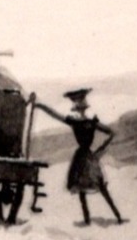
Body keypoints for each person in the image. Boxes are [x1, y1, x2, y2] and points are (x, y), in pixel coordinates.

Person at [35, 89, 124, 226]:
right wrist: (101, 150)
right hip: (87, 157)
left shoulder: (83, 122)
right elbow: (111, 133)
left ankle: (111, 217)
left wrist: (101, 150)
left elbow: (55, 115)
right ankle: (108, 217)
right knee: (92, 188)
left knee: (94, 187)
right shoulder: (87, 122)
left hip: (85, 157)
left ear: (76, 107)